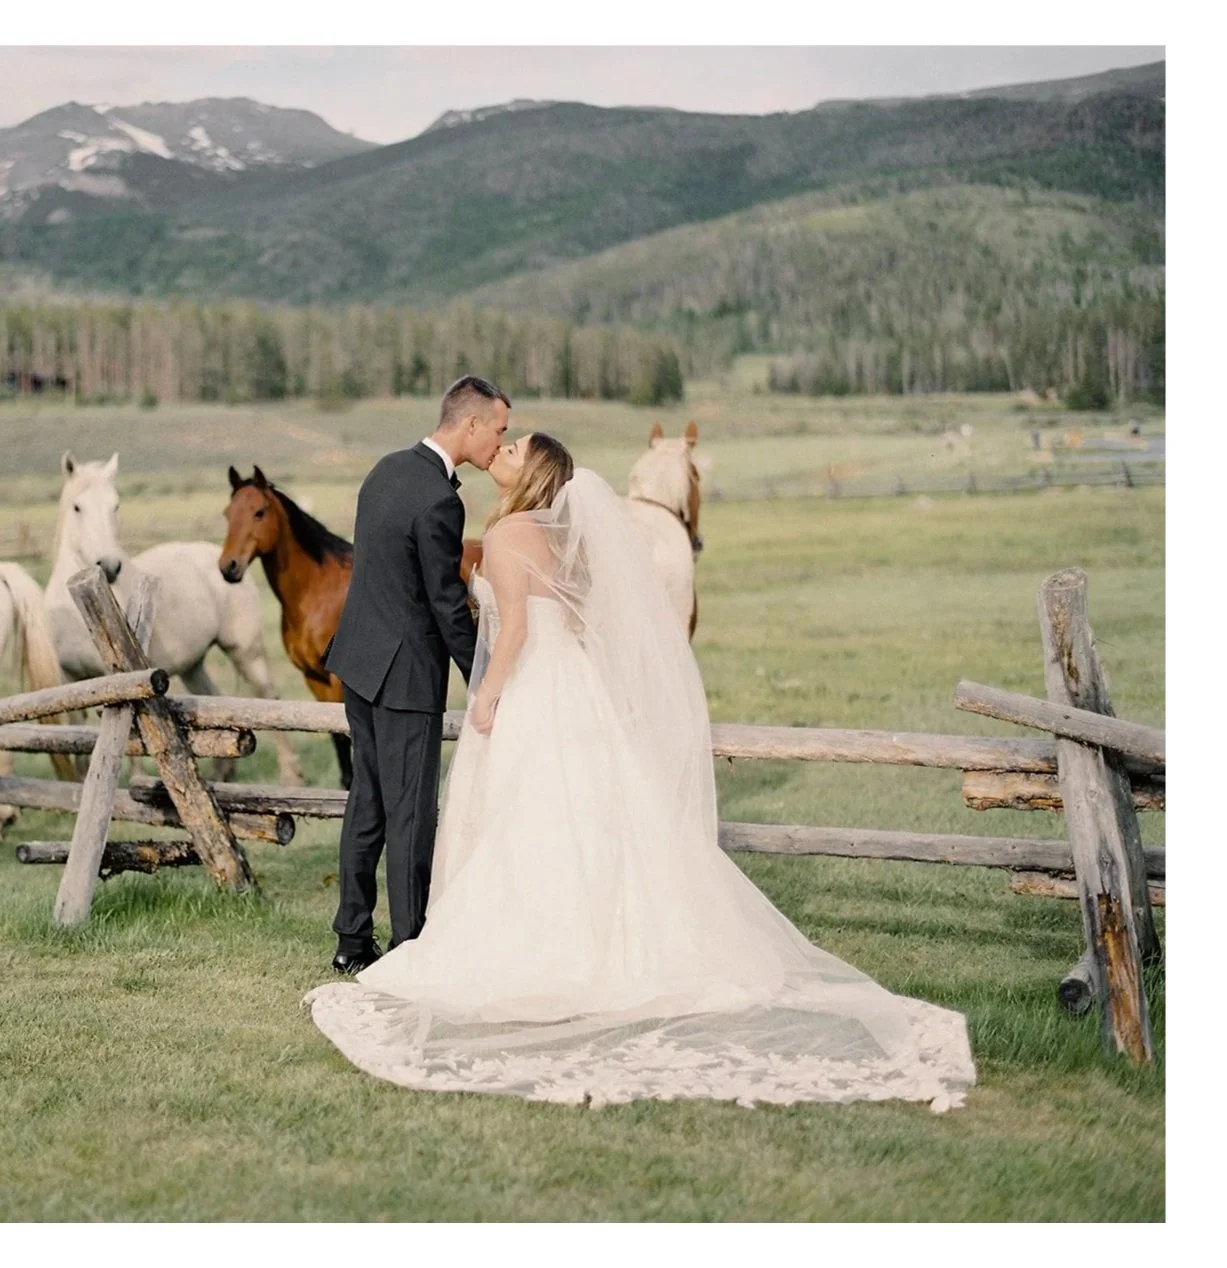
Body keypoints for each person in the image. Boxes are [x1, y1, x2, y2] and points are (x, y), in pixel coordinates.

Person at [306, 433, 977, 1110]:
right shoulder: (563, 541)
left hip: (535, 687)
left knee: (529, 815)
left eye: (513, 448)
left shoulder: (509, 534)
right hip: (571, 685)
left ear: (530, 472)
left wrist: (486, 697)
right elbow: (566, 619)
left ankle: (539, 946)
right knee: (589, 814)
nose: (501, 450)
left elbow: (509, 635)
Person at [321, 375, 509, 973]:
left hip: (358, 662)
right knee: (409, 812)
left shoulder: (383, 470)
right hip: (405, 679)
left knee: (368, 804)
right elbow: (445, 604)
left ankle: (352, 939)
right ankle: (409, 947)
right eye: (499, 430)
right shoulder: (440, 500)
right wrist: (484, 676)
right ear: (470, 423)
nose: (500, 442)